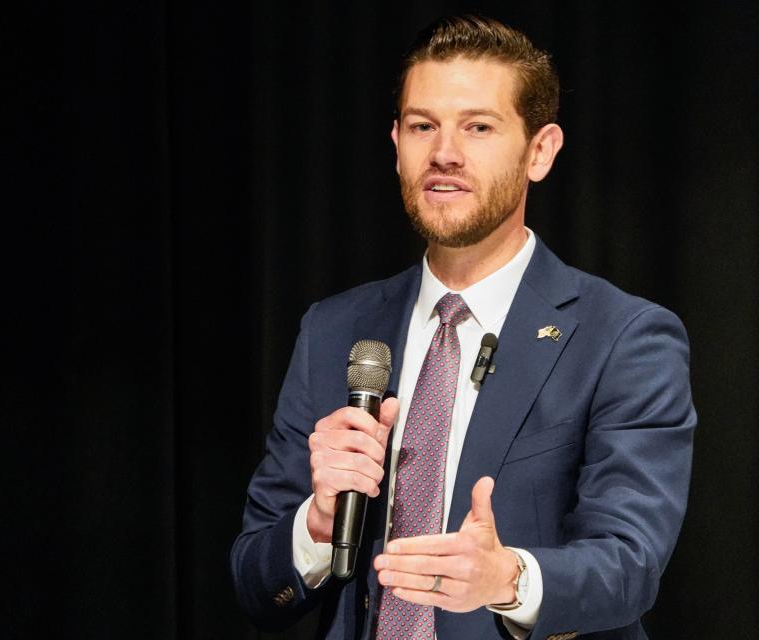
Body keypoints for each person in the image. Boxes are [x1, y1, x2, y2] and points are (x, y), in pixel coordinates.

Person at [231, 14, 696, 640]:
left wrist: (508, 578)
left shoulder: (625, 336)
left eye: (478, 127)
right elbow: (255, 584)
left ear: (540, 151)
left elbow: (630, 565)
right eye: (423, 126)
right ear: (396, 143)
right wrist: (315, 525)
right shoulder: (335, 330)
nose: (444, 153)